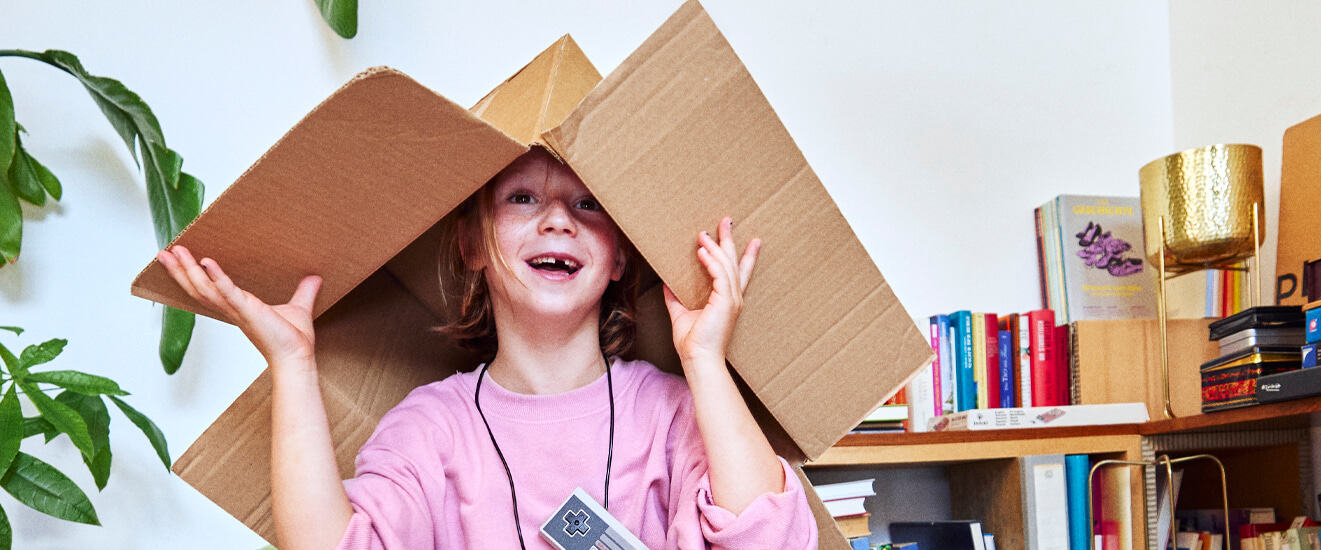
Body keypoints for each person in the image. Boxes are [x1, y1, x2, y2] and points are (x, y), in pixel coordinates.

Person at [156, 147, 818, 550]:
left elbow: (777, 542)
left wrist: (705, 360)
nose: (557, 219)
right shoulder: (432, 427)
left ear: (618, 257)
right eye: (522, 197)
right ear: (471, 244)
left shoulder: (672, 412)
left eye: (588, 205)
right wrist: (293, 363)